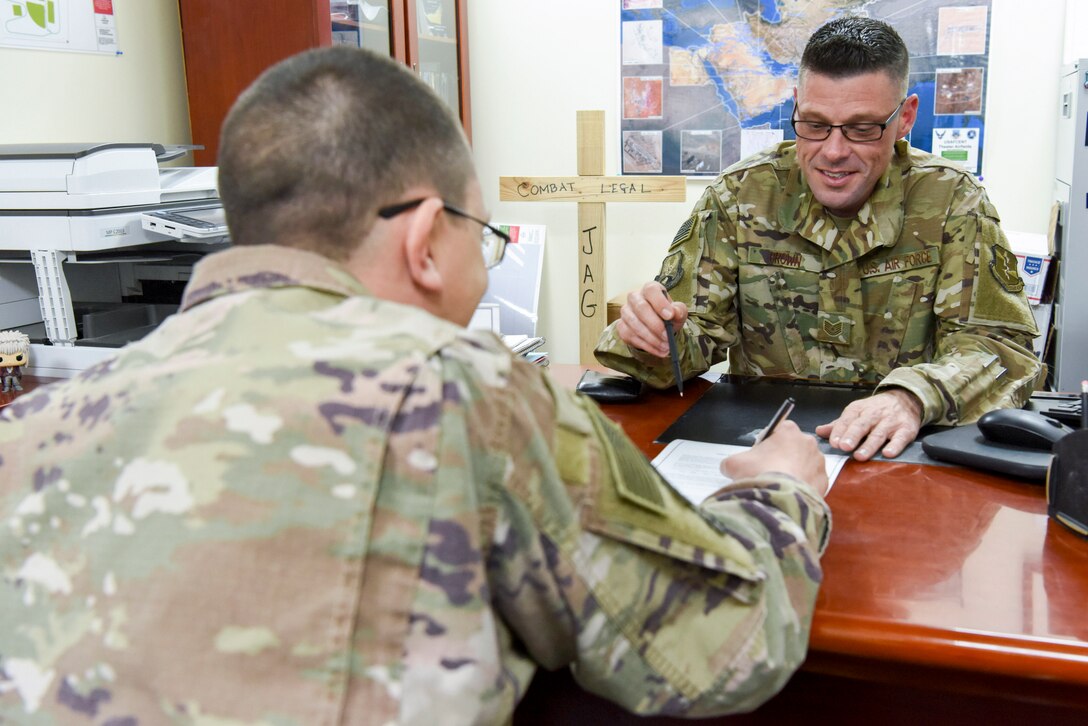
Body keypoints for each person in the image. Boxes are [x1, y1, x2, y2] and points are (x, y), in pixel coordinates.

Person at [0, 47, 831, 724]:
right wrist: (782, 494)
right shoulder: (462, 390)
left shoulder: (37, 422)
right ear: (429, 237)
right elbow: (723, 646)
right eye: (484, 232)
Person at [596, 16, 1044, 462]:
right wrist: (654, 337)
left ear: (904, 117)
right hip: (766, 449)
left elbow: (999, 348)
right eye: (813, 123)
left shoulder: (951, 200)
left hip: (900, 455)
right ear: (796, 104)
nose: (832, 151)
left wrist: (912, 397)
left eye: (862, 128)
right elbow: (692, 338)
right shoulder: (739, 196)